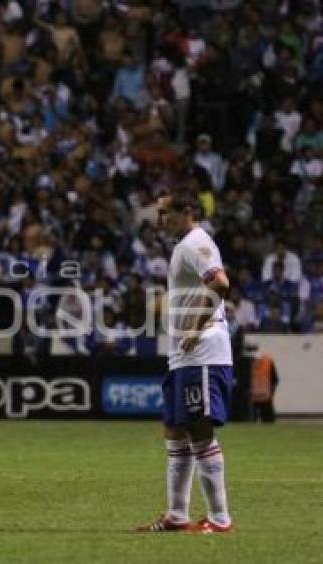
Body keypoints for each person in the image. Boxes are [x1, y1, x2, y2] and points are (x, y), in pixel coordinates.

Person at [136, 193, 233, 534]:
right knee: (175, 430)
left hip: (203, 351)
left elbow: (221, 284)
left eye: (165, 213)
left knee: (198, 431)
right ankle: (177, 515)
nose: (160, 219)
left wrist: (195, 326)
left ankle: (220, 520)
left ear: (185, 211)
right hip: (182, 354)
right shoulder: (183, 246)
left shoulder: (195, 243)